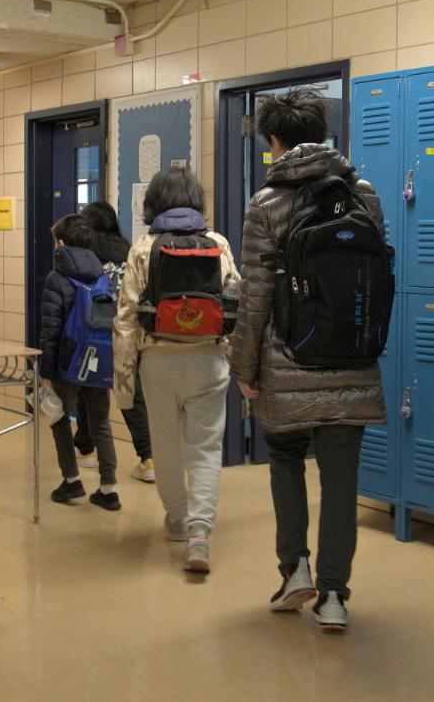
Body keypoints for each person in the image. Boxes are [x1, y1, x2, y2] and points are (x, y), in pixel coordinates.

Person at [228, 89, 388, 632]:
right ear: (321, 130)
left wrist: (243, 370)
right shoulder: (363, 194)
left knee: (286, 462)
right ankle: (336, 596)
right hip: (353, 362)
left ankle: (296, 570)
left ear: (274, 141)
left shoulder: (265, 203)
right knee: (341, 482)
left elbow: (255, 298)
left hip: (286, 363)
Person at [112, 167, 239, 572]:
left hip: (159, 363)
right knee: (204, 448)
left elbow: (126, 320)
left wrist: (124, 383)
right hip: (207, 359)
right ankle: (200, 535)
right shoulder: (218, 243)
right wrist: (232, 359)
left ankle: (178, 519)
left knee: (166, 446)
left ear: (153, 202)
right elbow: (235, 304)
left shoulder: (144, 248)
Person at [38, 213, 120, 510]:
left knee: (59, 417)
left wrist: (46, 372)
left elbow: (50, 328)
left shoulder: (57, 278)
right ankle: (109, 488)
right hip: (98, 358)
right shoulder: (103, 275)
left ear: (61, 243)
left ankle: (71, 481)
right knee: (100, 422)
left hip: (67, 361)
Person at [74, 200, 156, 484]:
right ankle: (148, 458)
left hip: (94, 332)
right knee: (132, 394)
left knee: (88, 388)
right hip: (128, 332)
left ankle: (86, 450)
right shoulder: (129, 250)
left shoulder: (85, 255)